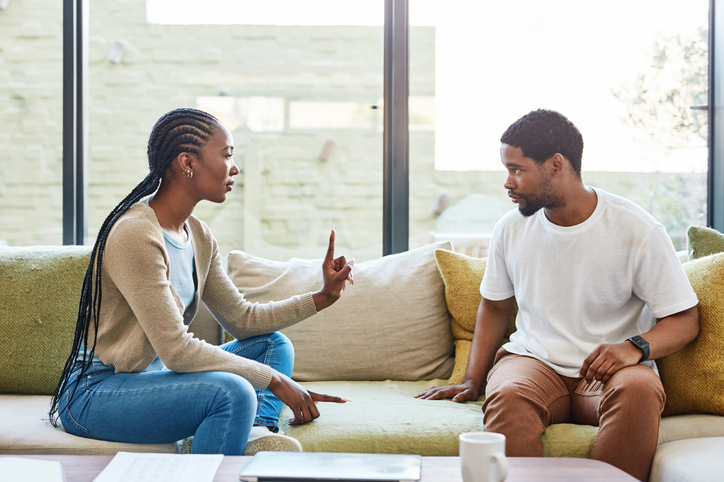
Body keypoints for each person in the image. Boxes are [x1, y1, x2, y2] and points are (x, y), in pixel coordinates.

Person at [49, 107, 355, 455]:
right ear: (187, 163)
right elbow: (177, 351)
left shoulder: (198, 235)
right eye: (227, 155)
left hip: (152, 377)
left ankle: (255, 430)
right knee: (233, 391)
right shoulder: (136, 234)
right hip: (96, 391)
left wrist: (323, 296)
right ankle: (239, 424)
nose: (235, 168)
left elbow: (243, 320)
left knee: (273, 345)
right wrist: (275, 380)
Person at [416, 109, 699, 481]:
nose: (507, 182)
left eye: (517, 169)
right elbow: (496, 305)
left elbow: (685, 319)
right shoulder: (511, 228)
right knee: (508, 392)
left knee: (640, 388)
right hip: (534, 363)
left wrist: (634, 348)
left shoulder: (637, 230)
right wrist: (473, 379)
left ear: (555, 165)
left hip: (606, 374)